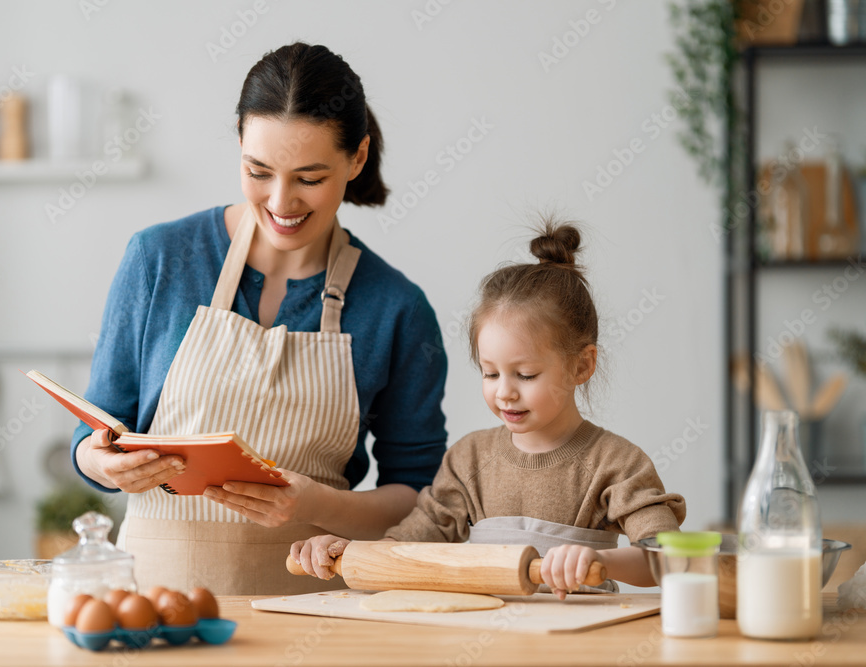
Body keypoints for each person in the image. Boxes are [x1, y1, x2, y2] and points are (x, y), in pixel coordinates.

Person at [70, 43, 448, 595]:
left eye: (310, 178)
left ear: (357, 159)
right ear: (240, 148)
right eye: (259, 171)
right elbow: (94, 430)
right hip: (154, 608)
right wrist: (102, 464)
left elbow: (419, 498)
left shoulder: (396, 307)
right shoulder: (159, 260)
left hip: (317, 615)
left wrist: (319, 504)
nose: (280, 201)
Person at [291, 220, 686, 598]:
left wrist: (601, 560)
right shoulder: (468, 460)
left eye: (526, 375)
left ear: (581, 365)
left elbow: (669, 560)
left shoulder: (616, 463)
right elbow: (406, 547)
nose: (505, 393)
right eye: (491, 373)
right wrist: (349, 551)